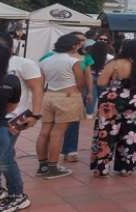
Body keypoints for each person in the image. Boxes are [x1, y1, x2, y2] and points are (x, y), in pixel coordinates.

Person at [0, 33, 41, 211]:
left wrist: (35, 115)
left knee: (5, 157)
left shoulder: (24, 64)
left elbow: (37, 89)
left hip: (13, 118)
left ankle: (17, 195)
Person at [90, 40, 136, 177]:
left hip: (113, 99)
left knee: (106, 133)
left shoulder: (114, 64)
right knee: (131, 133)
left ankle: (102, 168)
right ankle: (126, 167)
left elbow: (101, 82)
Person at [36, 34, 87, 179]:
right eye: (78, 44)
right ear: (73, 46)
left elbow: (42, 82)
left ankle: (42, 166)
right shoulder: (73, 61)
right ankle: (53, 168)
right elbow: (81, 82)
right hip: (67, 97)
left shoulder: (45, 60)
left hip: (49, 96)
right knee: (57, 133)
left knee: (44, 132)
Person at [0, 43, 23, 210]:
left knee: (5, 162)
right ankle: (15, 194)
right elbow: (10, 107)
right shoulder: (11, 81)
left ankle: (16, 195)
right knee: (5, 162)